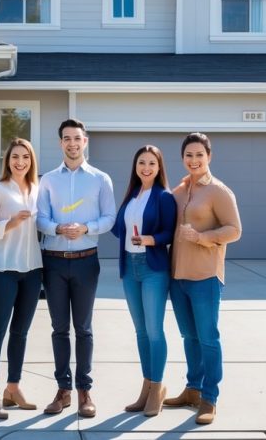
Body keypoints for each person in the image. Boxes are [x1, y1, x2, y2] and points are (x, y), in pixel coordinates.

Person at [36, 118, 116, 418]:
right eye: (66, 138)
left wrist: (86, 228)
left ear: (86, 141)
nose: (72, 143)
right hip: (54, 264)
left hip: (86, 261)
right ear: (60, 143)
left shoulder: (100, 179)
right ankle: (63, 390)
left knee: (83, 329)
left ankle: (85, 391)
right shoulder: (48, 181)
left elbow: (110, 217)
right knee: (59, 329)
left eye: (77, 138)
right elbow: (40, 218)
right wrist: (58, 228)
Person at [164, 132, 242, 425]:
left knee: (208, 338)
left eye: (199, 155)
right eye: (189, 155)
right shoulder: (180, 190)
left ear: (209, 156)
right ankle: (192, 389)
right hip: (178, 276)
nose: (194, 160)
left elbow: (235, 230)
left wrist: (202, 237)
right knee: (189, 336)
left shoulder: (219, 191)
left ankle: (210, 397)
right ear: (182, 158)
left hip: (206, 276)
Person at [0, 138, 43, 419]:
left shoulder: (39, 190)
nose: (20, 162)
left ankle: (13, 388)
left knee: (20, 333)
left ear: (31, 161)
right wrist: (10, 223)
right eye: (15, 157)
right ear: (8, 160)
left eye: (25, 157)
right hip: (2, 270)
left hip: (32, 271)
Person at [110, 144, 176, 417]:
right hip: (130, 267)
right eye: (141, 163)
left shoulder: (164, 197)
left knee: (154, 330)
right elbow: (117, 229)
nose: (146, 167)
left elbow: (169, 232)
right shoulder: (131, 196)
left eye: (151, 163)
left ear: (159, 167)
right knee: (139, 331)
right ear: (135, 167)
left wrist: (151, 239)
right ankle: (147, 386)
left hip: (153, 269)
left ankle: (158, 387)